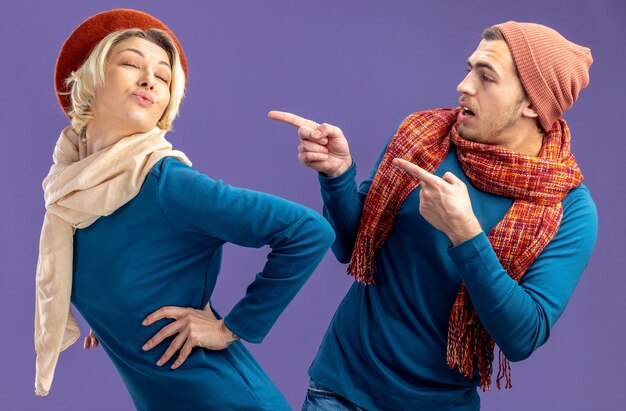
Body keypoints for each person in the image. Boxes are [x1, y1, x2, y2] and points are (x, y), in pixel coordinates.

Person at [270, 21, 597, 410]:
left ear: (532, 103)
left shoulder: (568, 208)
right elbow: (350, 247)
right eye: (469, 68)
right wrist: (338, 175)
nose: (464, 85)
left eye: (486, 77)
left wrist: (467, 234)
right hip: (341, 390)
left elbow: (522, 336)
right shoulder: (423, 135)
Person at [34, 9, 335, 410]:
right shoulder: (71, 195)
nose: (149, 80)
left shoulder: (167, 184)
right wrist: (115, 318)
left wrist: (233, 328)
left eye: (163, 77)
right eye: (130, 64)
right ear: (89, 80)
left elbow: (309, 231)